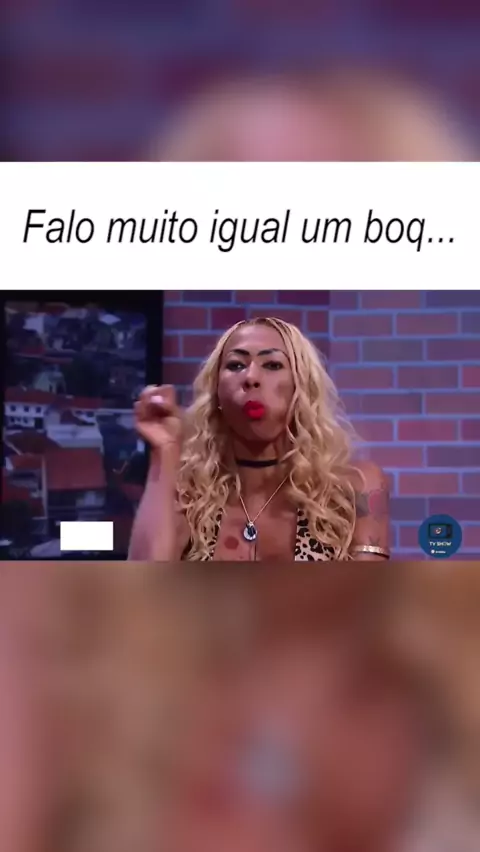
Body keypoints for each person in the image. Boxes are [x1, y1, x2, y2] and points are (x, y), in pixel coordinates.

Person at [129, 317, 390, 562]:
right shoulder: (189, 495)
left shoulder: (354, 487)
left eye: (272, 365)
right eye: (236, 365)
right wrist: (164, 449)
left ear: (301, 388)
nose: (251, 377)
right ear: (216, 392)